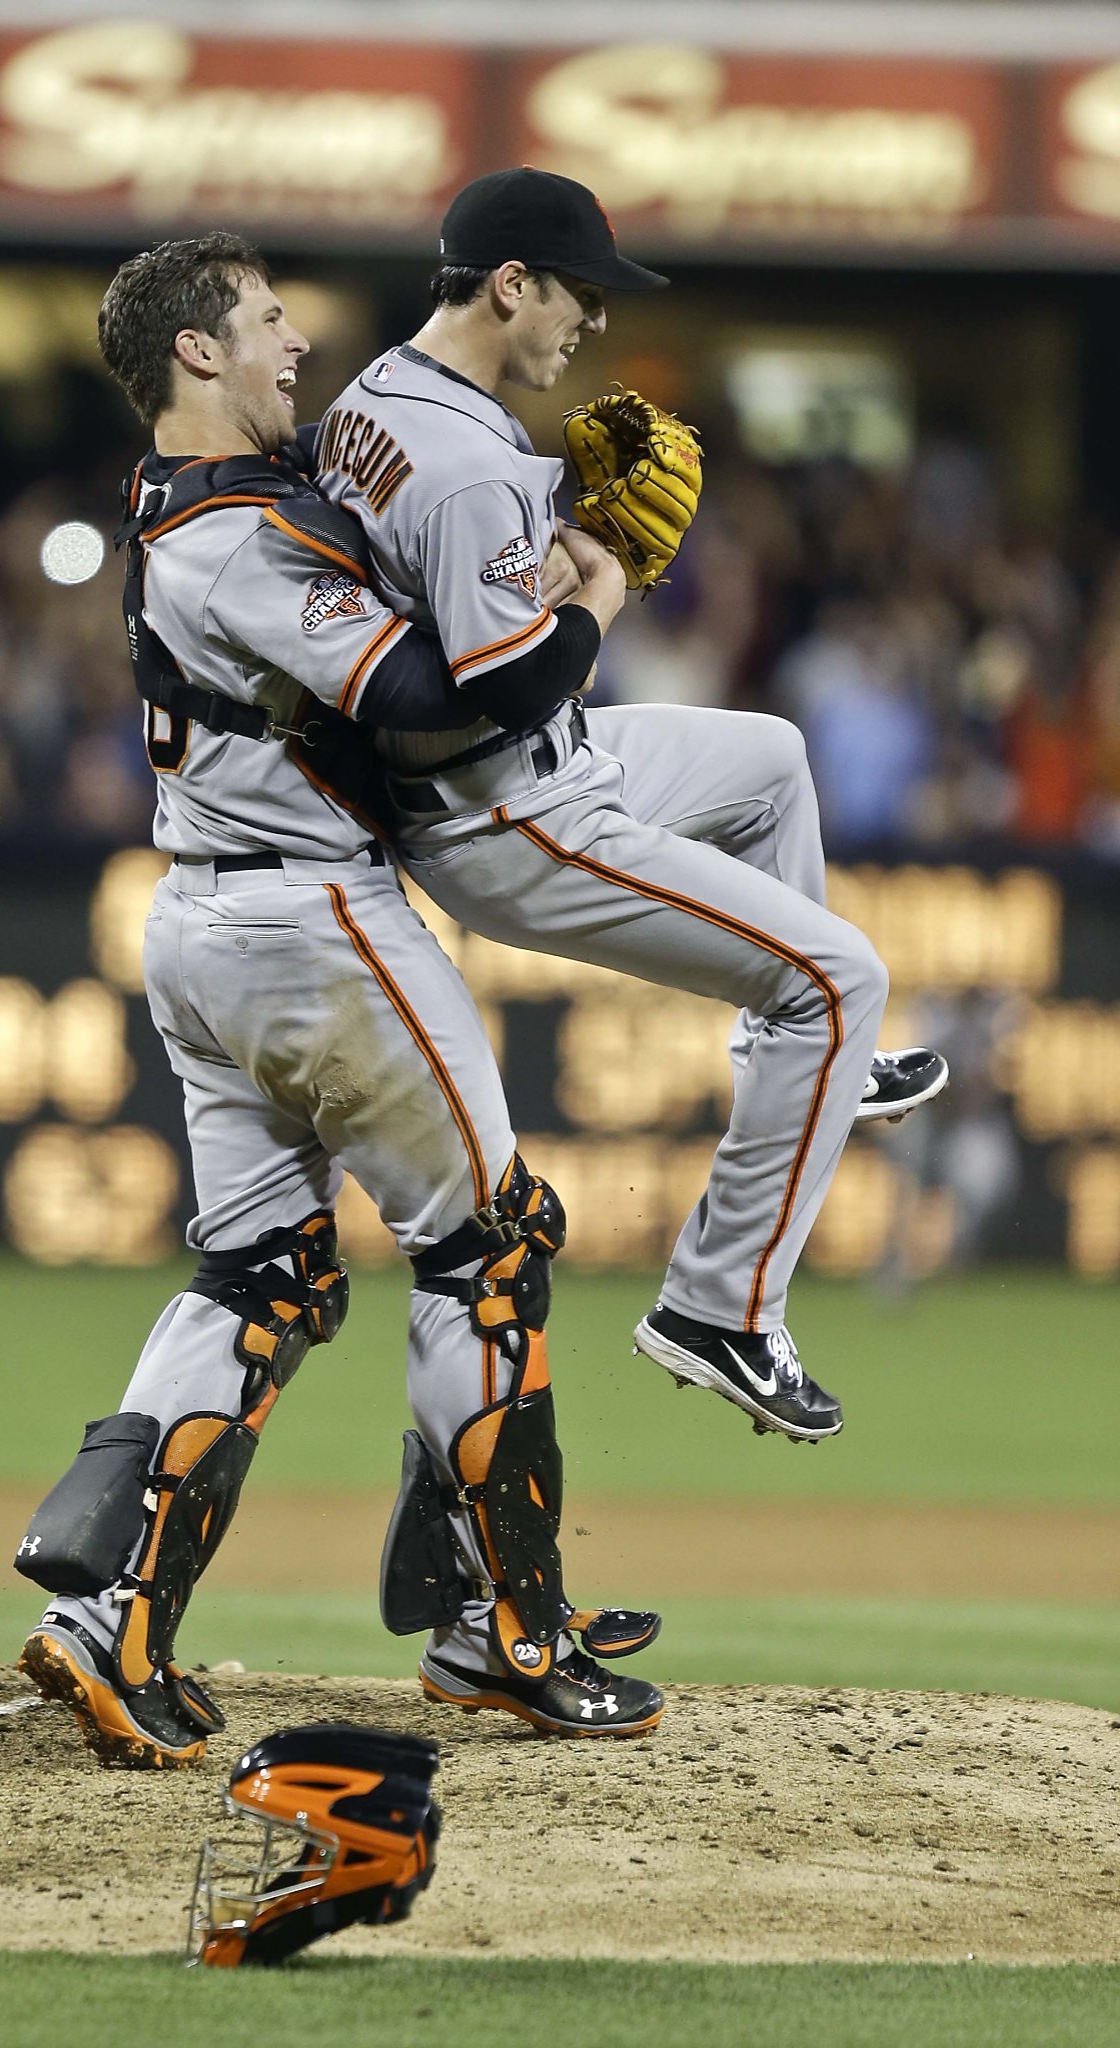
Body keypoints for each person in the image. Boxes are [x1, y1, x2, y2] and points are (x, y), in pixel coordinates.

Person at [12, 232, 665, 1769]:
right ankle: (510, 1636)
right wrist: (598, 598)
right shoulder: (234, 533)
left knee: (263, 1276)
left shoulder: (202, 506)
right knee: (489, 1250)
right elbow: (436, 704)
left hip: (203, 919)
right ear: (193, 354)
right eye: (262, 320)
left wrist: (535, 535)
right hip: (315, 922)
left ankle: (107, 1618)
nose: (296, 340)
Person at [315, 167, 949, 1444]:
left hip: (512, 766)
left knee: (771, 757)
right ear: (510, 283)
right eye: (579, 293)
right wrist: (598, 583)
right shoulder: (469, 463)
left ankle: (809, 1064)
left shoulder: (372, 398)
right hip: (508, 812)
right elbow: (506, 684)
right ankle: (721, 1305)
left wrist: (551, 515)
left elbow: (445, 572)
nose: (591, 323)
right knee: (839, 974)